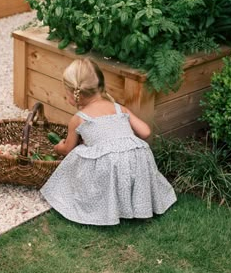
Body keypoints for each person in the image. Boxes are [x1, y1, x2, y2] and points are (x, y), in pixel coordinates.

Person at [40, 57, 176, 225]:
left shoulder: (79, 118)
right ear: (101, 87)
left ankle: (106, 206)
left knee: (78, 155)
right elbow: (146, 132)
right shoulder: (119, 108)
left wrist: (57, 147)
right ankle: (137, 205)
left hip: (110, 163)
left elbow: (68, 149)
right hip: (139, 157)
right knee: (116, 158)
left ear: (75, 95)